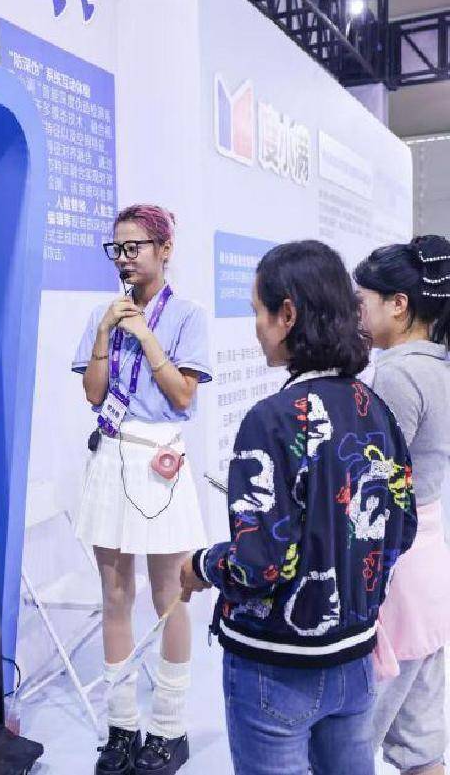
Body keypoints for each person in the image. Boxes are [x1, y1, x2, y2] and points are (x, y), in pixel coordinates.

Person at [180, 240, 417, 775]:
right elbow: (401, 529)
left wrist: (201, 564)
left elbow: (258, 566)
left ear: (287, 314)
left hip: (276, 667)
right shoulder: (376, 410)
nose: (256, 328)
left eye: (258, 312)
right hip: (354, 658)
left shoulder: (271, 420)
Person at [72, 205, 211, 775]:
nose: (124, 259)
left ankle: (169, 729)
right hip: (112, 454)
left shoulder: (187, 316)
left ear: (164, 249)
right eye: (118, 249)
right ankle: (122, 726)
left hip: (160, 460)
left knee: (168, 595)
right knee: (114, 595)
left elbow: (183, 395)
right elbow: (93, 393)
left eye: (134, 247)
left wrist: (146, 336)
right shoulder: (102, 314)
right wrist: (106, 331)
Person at [355, 235, 450, 775]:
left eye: (363, 302)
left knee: (349, 744)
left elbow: (376, 483)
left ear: (398, 304)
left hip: (395, 574)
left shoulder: (396, 374)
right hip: (429, 569)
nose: (358, 315)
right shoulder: (438, 365)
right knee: (422, 749)